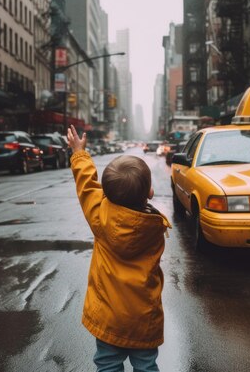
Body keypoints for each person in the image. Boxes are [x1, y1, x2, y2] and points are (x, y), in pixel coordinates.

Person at [67, 125, 172, 372]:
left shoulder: (99, 216)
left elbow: (86, 185)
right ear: (148, 191)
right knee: (146, 365)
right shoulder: (155, 226)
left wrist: (79, 152)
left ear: (108, 194)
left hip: (108, 315)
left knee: (107, 364)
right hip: (144, 316)